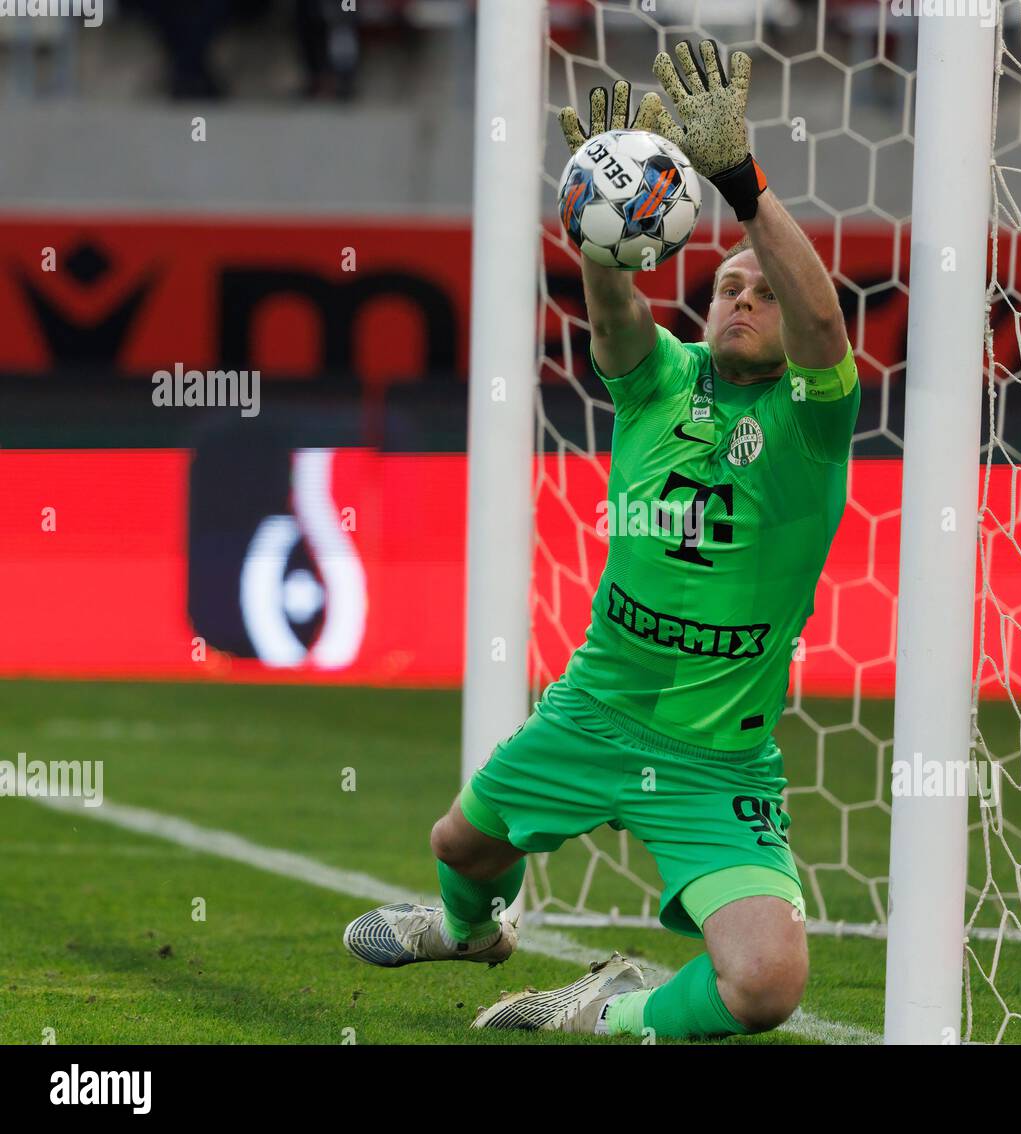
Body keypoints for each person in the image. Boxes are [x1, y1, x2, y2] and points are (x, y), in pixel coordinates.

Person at [343, 39, 860, 1040]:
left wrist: (742, 188)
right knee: (460, 843)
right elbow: (616, 316)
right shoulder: (660, 382)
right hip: (594, 707)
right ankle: (469, 932)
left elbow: (827, 327)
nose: (742, 299)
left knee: (766, 987)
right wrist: (597, 229)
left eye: (761, 292)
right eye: (725, 290)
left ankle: (611, 1011)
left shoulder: (810, 426)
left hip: (717, 761)